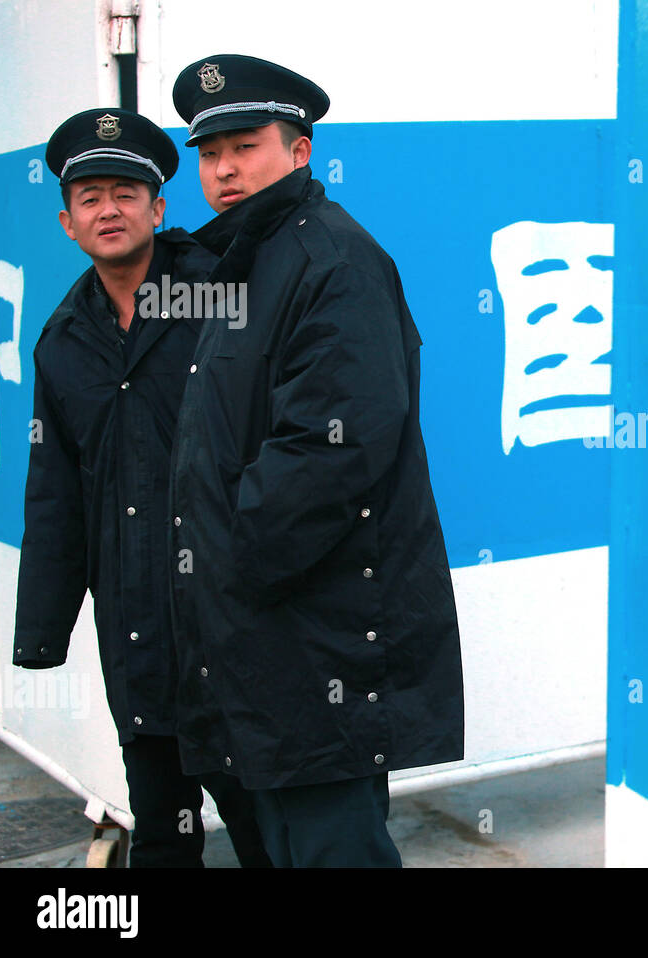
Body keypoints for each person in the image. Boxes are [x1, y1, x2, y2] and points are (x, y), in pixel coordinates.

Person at [169, 55, 465, 867]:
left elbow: (329, 451)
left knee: (335, 849)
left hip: (319, 635)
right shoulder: (247, 260)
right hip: (267, 636)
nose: (224, 169)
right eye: (209, 152)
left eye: (245, 144)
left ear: (300, 152)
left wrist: (227, 567)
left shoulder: (330, 259)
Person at [13, 108, 270, 867]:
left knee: (265, 825)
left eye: (126, 193)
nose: (109, 210)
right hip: (135, 630)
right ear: (68, 223)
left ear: (158, 209)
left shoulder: (219, 296)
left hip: (231, 619)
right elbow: (55, 494)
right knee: (162, 827)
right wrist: (41, 633)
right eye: (90, 197)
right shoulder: (63, 341)